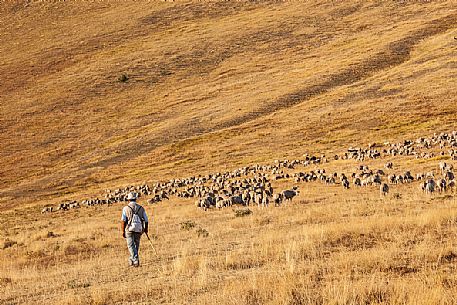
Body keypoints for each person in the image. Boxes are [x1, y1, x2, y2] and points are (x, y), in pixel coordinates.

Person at [121, 192, 149, 267]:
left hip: (129, 229)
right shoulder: (141, 208)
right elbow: (146, 220)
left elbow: (123, 220)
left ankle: (135, 260)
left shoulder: (125, 208)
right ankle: (131, 260)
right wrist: (146, 229)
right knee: (136, 245)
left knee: (130, 245)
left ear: (128, 200)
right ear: (135, 199)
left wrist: (123, 231)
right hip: (139, 229)